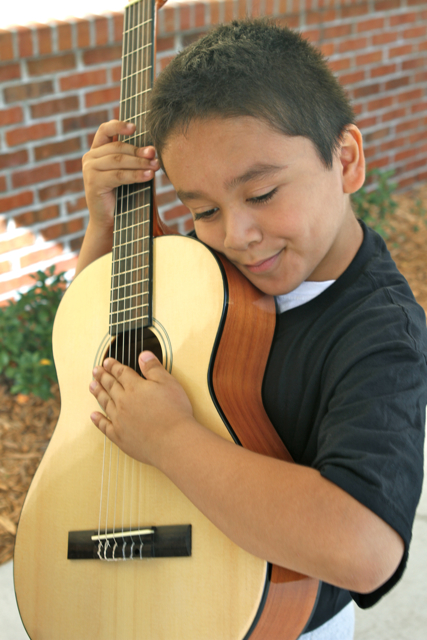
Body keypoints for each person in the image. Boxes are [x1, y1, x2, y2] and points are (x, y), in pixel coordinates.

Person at [77, 19, 427, 639]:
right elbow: (93, 342)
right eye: (204, 210)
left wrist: (169, 439)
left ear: (346, 160)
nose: (237, 235)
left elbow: (366, 550)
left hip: (276, 619)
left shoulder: (379, 333)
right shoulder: (203, 271)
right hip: (159, 596)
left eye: (261, 193)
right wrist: (105, 224)